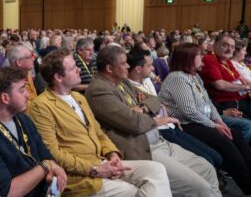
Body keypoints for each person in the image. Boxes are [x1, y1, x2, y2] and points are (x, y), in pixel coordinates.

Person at [28, 49, 171, 196]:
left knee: (156, 170)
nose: (78, 69)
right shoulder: (42, 106)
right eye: (72, 68)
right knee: (133, 191)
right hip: (79, 174)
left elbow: (98, 132)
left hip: (102, 161)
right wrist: (94, 169)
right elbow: (53, 153)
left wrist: (113, 153)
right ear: (58, 77)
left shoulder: (78, 97)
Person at [86, 45, 220, 197]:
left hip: (160, 141)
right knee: (199, 187)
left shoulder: (122, 82)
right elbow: (134, 123)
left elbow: (155, 100)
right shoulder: (99, 90)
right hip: (143, 148)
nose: (128, 66)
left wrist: (141, 108)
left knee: (207, 168)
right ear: (110, 68)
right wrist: (148, 116)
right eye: (124, 63)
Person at [158, 42, 251, 196]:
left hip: (200, 121)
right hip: (184, 124)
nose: (202, 57)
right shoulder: (177, 78)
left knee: (236, 135)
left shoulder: (194, 76)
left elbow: (208, 103)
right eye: (198, 55)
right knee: (225, 142)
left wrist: (219, 121)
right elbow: (189, 112)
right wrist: (214, 125)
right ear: (188, 58)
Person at [0, 67, 67, 197]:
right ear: (5, 98)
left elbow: (47, 156)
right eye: (22, 90)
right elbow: (8, 192)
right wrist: (45, 167)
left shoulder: (23, 119)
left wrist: (55, 170)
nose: (28, 94)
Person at [126, 48, 222, 168]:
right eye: (150, 65)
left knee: (214, 157)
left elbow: (158, 103)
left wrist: (154, 106)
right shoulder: (128, 88)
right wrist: (154, 107)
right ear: (138, 69)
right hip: (158, 130)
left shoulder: (147, 80)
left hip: (170, 124)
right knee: (208, 159)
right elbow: (137, 116)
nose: (153, 68)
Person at [199, 34, 251, 153]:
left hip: (240, 99)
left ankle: (250, 150)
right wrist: (246, 86)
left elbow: (240, 79)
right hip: (224, 103)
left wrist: (250, 90)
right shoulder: (210, 59)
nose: (230, 49)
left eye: (232, 46)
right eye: (225, 45)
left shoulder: (226, 61)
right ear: (215, 45)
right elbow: (219, 85)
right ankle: (234, 152)